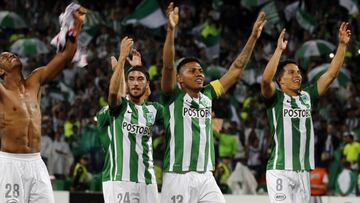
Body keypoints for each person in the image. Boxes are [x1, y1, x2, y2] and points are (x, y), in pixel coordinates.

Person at [160, 2, 266, 202]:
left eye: (200, 70)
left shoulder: (208, 95)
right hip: (178, 175)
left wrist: (252, 37)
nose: (199, 74)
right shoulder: (173, 95)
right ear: (179, 78)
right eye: (192, 71)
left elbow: (236, 69)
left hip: (206, 176)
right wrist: (170, 31)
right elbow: (167, 66)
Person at [0, 7, 86, 203]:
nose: (10, 55)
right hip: (10, 164)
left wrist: (76, 25)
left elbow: (65, 57)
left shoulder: (35, 80)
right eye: (4, 57)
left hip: (37, 162)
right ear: (0, 72)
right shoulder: (2, 92)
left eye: (12, 54)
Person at [261, 23, 351, 203]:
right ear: (281, 80)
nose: (298, 76)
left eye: (299, 72)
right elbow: (265, 79)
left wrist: (342, 45)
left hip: (303, 172)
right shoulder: (275, 98)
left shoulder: (307, 96)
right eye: (291, 72)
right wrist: (279, 51)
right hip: (280, 170)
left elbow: (331, 74)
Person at [96, 37, 163, 203]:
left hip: (147, 180)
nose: (135, 83)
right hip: (119, 179)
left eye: (140, 79)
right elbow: (115, 95)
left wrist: (136, 69)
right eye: (130, 79)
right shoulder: (113, 110)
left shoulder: (152, 110)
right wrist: (122, 59)